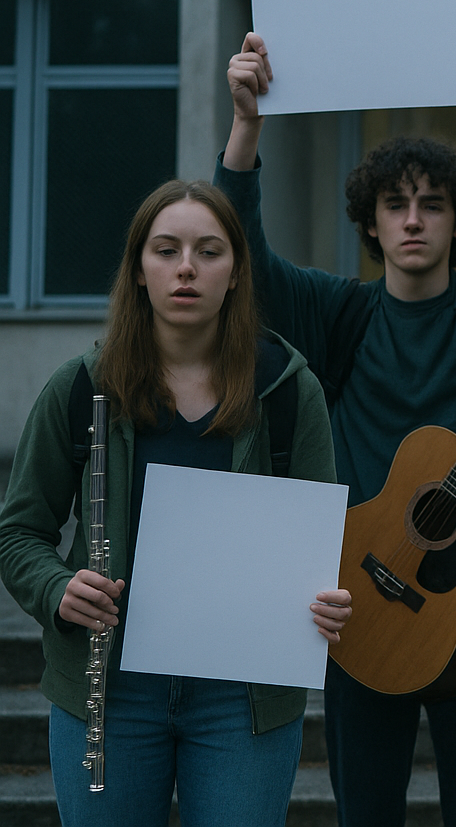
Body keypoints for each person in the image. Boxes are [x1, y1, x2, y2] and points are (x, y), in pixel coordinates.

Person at [215, 20, 456, 827]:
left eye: (433, 205)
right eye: (396, 205)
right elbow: (240, 250)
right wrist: (247, 127)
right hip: (362, 594)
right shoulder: (339, 317)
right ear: (372, 224)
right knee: (366, 811)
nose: (414, 219)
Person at [0, 180, 349, 827]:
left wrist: (327, 598)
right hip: (110, 692)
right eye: (166, 250)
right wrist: (56, 588)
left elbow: (320, 551)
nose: (186, 266)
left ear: (238, 272)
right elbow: (16, 533)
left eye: (209, 251)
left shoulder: (288, 390)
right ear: (139, 269)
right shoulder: (81, 387)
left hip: (242, 699)